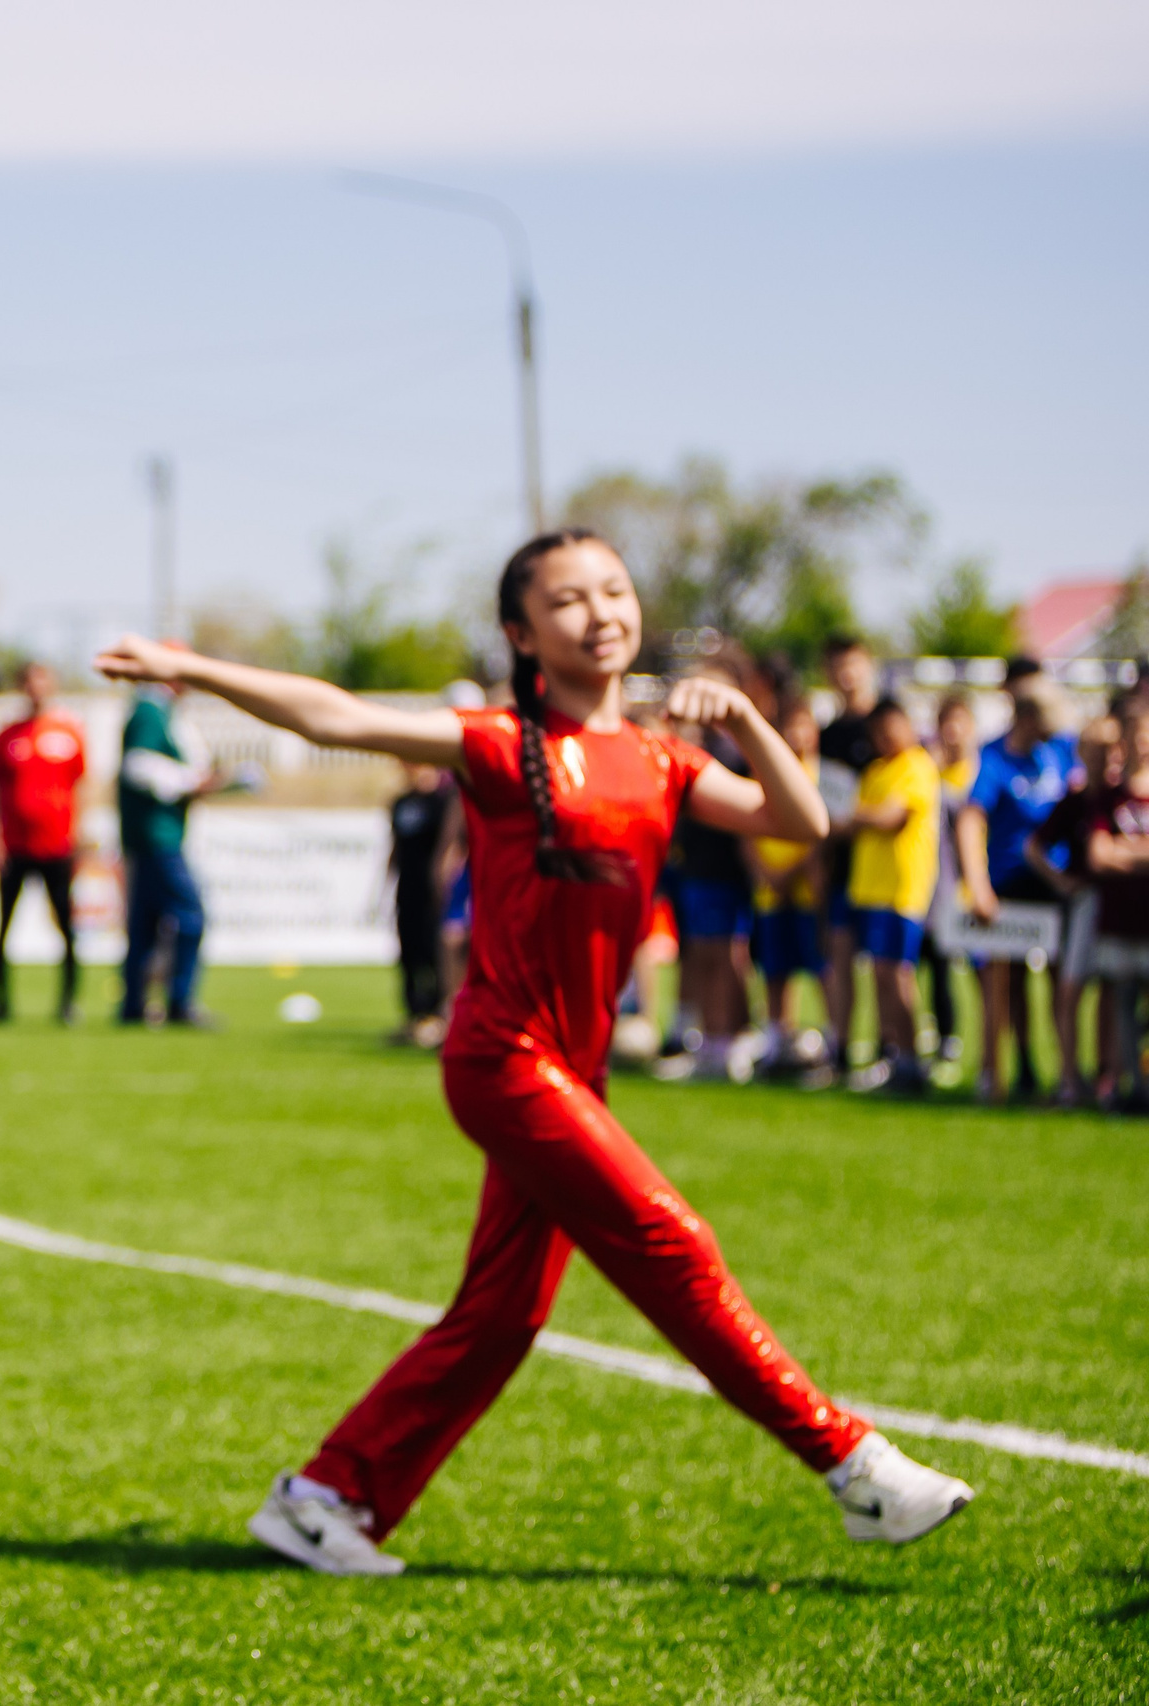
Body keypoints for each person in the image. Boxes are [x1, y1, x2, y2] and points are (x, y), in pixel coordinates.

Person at [95, 529, 972, 1577]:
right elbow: (338, 713)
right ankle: (855, 1466)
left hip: (575, 1070)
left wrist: (740, 717)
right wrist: (190, 669)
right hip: (503, 1058)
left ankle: (326, 1498)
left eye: (613, 589)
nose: (599, 611)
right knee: (672, 1239)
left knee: (501, 1313)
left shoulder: (662, 756)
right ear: (520, 631)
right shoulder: (502, 742)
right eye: (565, 599)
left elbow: (800, 817)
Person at [960, 672, 1081, 1103]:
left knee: (1060, 981)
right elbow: (972, 821)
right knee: (1005, 984)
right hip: (1009, 884)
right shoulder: (994, 758)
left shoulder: (1061, 752)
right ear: (1027, 717)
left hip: (1055, 883)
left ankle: (1067, 1073)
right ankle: (1010, 1068)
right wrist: (978, 886)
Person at [663, 660, 759, 1082]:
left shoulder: (735, 753)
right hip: (695, 871)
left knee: (724, 958)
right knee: (701, 957)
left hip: (725, 873)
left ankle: (725, 1042)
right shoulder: (694, 747)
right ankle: (709, 1039)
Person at [845, 699, 941, 1095]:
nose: (886, 736)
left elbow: (890, 817)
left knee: (898, 975)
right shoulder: (876, 770)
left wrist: (855, 816)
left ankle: (913, 1059)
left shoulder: (917, 765)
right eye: (878, 730)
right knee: (881, 975)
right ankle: (894, 1056)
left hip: (902, 890)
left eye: (892, 726)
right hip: (870, 888)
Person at [0, 660, 88, 1025]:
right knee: (2, 928)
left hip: (57, 845)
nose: (36, 688)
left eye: (42, 680)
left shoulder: (68, 733)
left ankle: (68, 1003)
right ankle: (0, 1003)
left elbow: (80, 787)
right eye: (29, 681)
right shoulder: (7, 736)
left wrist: (80, 836)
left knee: (67, 928)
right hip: (15, 846)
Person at [117, 681, 224, 1026]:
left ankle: (135, 1003)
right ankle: (179, 1001)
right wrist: (191, 781)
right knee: (190, 914)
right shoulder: (151, 711)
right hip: (157, 836)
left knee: (144, 923)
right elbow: (138, 767)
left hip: (153, 836)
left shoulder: (159, 712)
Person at [1033, 715, 1124, 1107]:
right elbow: (1034, 845)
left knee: (1115, 992)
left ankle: (1110, 1075)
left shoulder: (1124, 799)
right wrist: (1061, 881)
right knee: (1071, 991)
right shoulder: (1077, 801)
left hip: (1122, 905)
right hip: (1085, 903)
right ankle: (1069, 1076)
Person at [747, 694, 830, 1080]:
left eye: (804, 724)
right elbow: (745, 826)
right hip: (770, 891)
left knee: (819, 965)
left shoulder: (825, 776)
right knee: (775, 970)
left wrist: (794, 871)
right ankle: (779, 1041)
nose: (797, 733)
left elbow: (822, 834)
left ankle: (832, 1041)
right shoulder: (766, 772)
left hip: (807, 892)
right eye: (790, 725)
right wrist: (767, 873)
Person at [815, 635, 883, 1072]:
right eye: (838, 666)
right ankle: (841, 1049)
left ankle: (889, 1049)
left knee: (885, 964)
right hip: (841, 865)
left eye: (853, 664)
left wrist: (857, 820)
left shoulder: (887, 723)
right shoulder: (829, 735)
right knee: (839, 955)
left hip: (884, 866)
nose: (847, 675)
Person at [1085, 705, 1149, 1112]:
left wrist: (1123, 851)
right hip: (1120, 919)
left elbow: (1111, 852)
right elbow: (1097, 856)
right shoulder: (1109, 800)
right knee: (1122, 1006)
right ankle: (1134, 1088)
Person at [925, 692, 980, 1071]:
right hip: (938, 888)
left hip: (976, 889)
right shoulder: (931, 773)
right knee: (937, 965)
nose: (953, 730)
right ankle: (947, 1039)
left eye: (959, 720)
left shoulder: (980, 772)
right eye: (947, 721)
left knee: (983, 971)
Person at [388, 763, 457, 1047]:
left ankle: (437, 1016)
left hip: (435, 890)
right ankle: (414, 1016)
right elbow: (395, 846)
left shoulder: (443, 802)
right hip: (407, 888)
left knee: (436, 949)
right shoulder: (400, 803)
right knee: (409, 950)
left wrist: (443, 879)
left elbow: (449, 843)